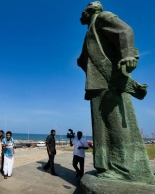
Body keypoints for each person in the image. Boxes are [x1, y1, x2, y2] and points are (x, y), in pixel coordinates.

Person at [77, 1, 155, 182]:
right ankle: (106, 166)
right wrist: (82, 62)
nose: (81, 16)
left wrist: (128, 54)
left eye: (83, 11)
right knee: (101, 128)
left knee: (116, 127)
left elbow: (125, 31)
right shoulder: (89, 31)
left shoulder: (102, 18)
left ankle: (126, 169)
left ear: (89, 11)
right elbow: (84, 59)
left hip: (109, 82)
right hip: (97, 84)